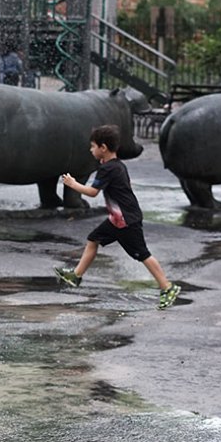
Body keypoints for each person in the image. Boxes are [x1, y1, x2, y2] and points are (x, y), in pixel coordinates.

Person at [53, 124, 180, 310]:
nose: (91, 150)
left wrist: (72, 184)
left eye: (93, 146)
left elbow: (92, 192)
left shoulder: (108, 169)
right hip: (117, 219)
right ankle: (76, 275)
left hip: (126, 220)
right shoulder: (117, 166)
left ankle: (167, 287)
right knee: (93, 239)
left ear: (103, 148)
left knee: (142, 254)